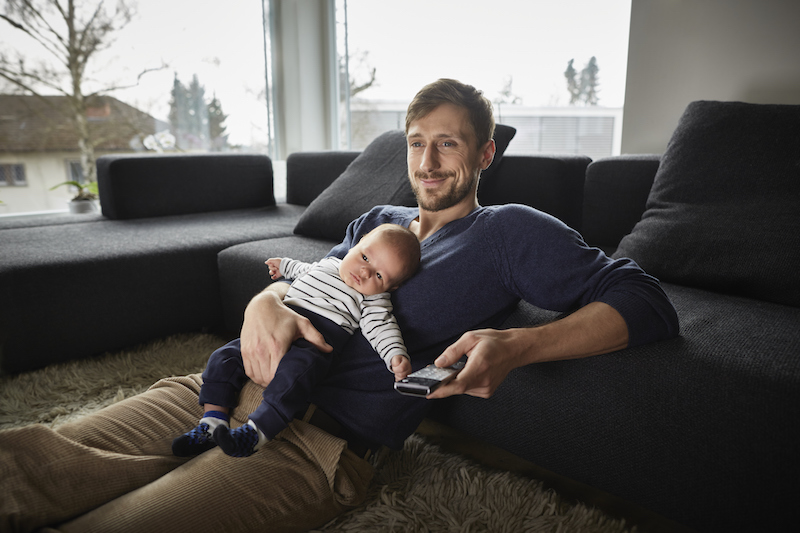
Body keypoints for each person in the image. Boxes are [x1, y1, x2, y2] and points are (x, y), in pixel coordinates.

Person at [0, 78, 678, 533]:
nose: (429, 160)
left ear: (485, 153)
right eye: (418, 142)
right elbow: (311, 283)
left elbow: (644, 301)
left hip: (315, 446)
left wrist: (519, 344)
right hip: (231, 383)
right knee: (32, 462)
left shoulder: (508, 232)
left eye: (449, 142)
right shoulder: (374, 218)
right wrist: (263, 302)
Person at [172, 223, 419, 458]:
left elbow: (383, 326)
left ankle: (256, 433)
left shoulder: (374, 300)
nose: (364, 272)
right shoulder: (329, 264)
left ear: (392, 287)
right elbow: (302, 269)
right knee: (223, 357)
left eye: (378, 275)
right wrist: (283, 266)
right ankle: (212, 422)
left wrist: (395, 355)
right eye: (365, 257)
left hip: (315, 345)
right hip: (280, 324)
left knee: (295, 378)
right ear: (359, 242)